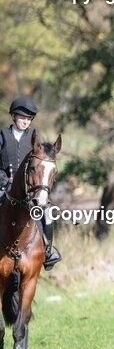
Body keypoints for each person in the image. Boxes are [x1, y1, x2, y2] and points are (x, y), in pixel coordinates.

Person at [0, 96, 60, 270]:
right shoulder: (2, 136)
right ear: (13, 117)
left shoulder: (35, 141)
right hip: (3, 184)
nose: (25, 121)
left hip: (28, 189)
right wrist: (4, 179)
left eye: (28, 119)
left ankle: (48, 250)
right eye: (21, 117)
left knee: (47, 212)